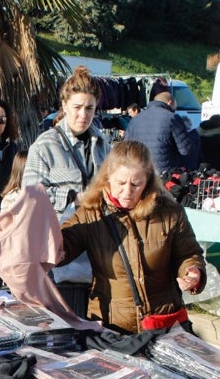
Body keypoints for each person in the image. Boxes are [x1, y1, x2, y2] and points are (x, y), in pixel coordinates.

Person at [58, 140, 204, 332]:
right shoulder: (91, 212)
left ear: (148, 180)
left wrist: (193, 272)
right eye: (120, 183)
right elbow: (61, 250)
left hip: (163, 323)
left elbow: (188, 254)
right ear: (108, 177)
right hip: (113, 325)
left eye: (136, 184)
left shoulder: (169, 212)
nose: (127, 192)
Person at [25, 66, 111, 216]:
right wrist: (73, 197)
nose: (83, 114)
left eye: (89, 108)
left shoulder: (103, 145)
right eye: (77, 107)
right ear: (64, 105)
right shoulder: (44, 146)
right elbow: (30, 195)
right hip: (60, 232)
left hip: (99, 231)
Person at [125, 91, 200, 175]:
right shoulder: (172, 118)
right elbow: (185, 150)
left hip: (139, 173)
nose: (174, 110)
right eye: (175, 107)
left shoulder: (134, 120)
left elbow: (126, 149)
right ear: (170, 103)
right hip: (164, 174)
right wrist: (195, 134)